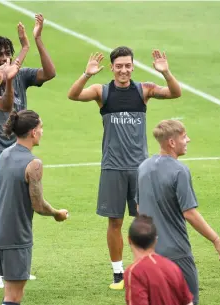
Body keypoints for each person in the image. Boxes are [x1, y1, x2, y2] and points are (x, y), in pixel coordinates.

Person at [67, 46, 182, 289]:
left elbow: (175, 93)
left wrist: (166, 72)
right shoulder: (102, 91)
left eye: (128, 65)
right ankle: (119, 274)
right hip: (112, 167)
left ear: (133, 66)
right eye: (119, 66)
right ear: (112, 67)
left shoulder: (144, 90)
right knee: (115, 222)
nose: (123, 70)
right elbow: (73, 95)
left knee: (145, 220)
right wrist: (87, 74)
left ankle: (147, 269)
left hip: (141, 169)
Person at [0, 16, 56, 286]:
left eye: (6, 53)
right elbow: (4, 103)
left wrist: (35, 41)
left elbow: (49, 73)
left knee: (20, 209)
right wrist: (20, 54)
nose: (3, 58)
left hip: (18, 152)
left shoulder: (21, 75)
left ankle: (15, 267)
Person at [136, 119, 220, 305]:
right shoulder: (180, 171)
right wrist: (216, 240)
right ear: (172, 142)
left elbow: (139, 208)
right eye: (184, 136)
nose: (188, 140)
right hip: (176, 253)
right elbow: (189, 213)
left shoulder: (143, 166)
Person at [0, 110, 68, 305]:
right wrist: (57, 213)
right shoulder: (33, 164)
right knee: (14, 296)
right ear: (33, 132)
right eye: (41, 128)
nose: (42, 132)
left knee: (9, 290)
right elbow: (38, 205)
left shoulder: (5, 154)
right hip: (16, 236)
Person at [125, 215, 194, 305]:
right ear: (155, 240)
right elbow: (188, 303)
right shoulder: (172, 267)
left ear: (129, 240)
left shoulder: (134, 272)